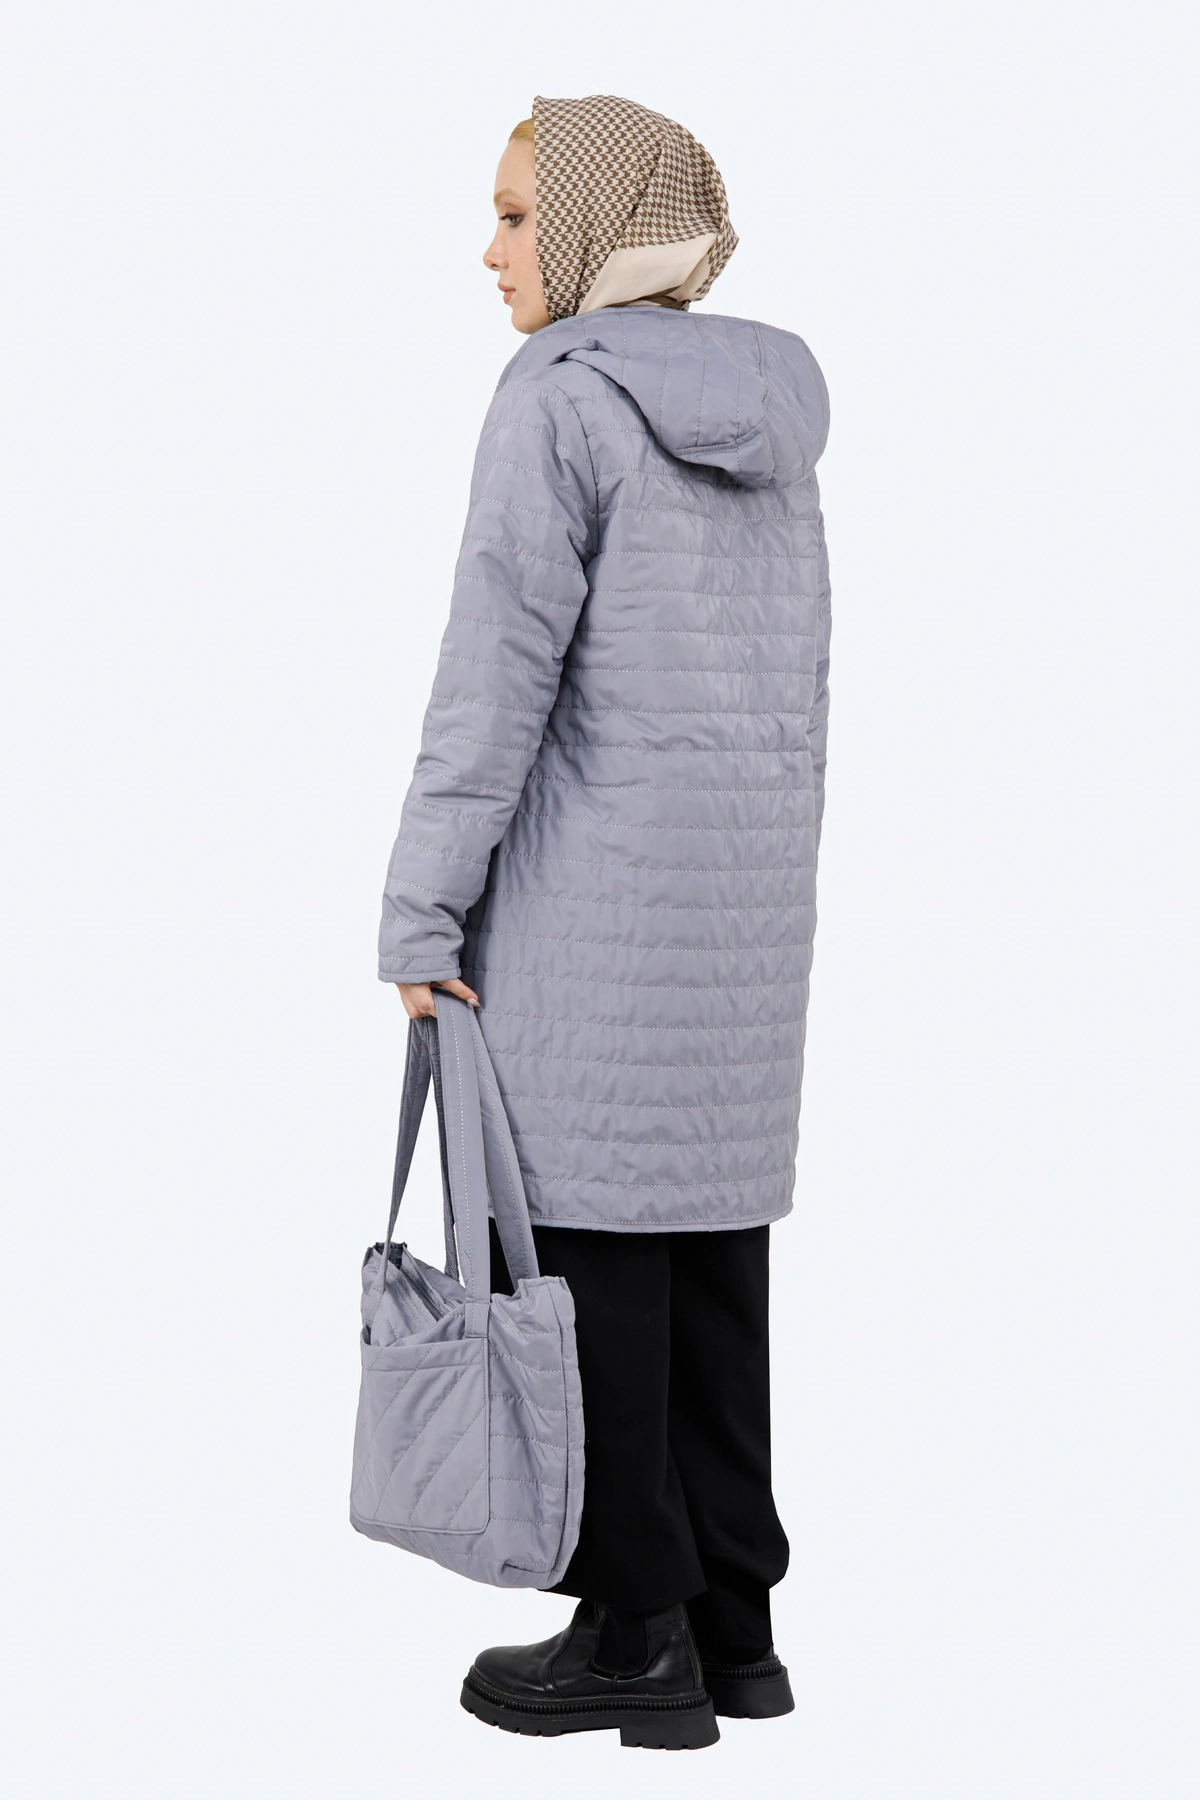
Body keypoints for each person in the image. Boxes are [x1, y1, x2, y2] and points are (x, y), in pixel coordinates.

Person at [379, 94, 831, 1749]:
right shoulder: (771, 417)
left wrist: (424, 907)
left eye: (516, 216)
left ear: (589, 226)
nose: (491, 252)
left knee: (591, 1272)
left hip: (593, 920)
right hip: (741, 930)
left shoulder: (560, 400)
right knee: (708, 1266)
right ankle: (735, 1627)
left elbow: (491, 682)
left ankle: (634, 1632)